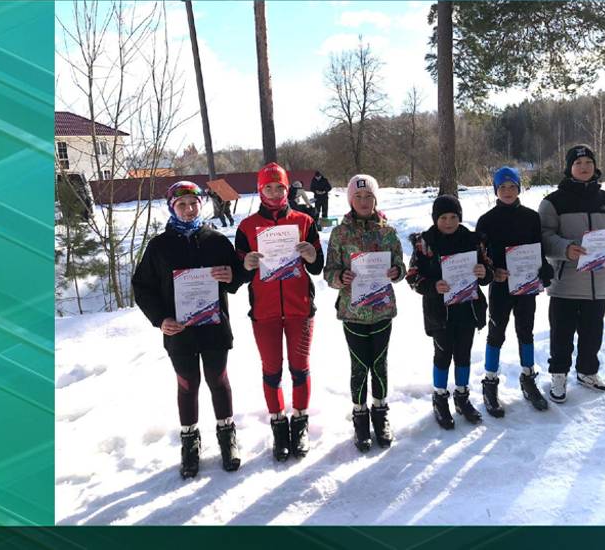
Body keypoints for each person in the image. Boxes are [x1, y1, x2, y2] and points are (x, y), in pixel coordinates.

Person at [131, 181, 243, 479]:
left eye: (194, 203)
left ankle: (226, 434)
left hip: (214, 328)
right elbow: (141, 287)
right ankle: (190, 441)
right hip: (179, 332)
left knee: (218, 380)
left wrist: (232, 274)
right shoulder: (159, 246)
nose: (189, 209)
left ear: (201, 205)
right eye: (182, 204)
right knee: (187, 384)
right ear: (172, 208)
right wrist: (160, 319)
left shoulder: (216, 240)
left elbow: (236, 279)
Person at [234, 163, 324, 461]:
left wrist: (312, 255)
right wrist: (246, 265)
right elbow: (239, 275)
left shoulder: (304, 220)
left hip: (299, 308)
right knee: (271, 371)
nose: (274, 193)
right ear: (260, 190)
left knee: (300, 368)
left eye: (280, 187)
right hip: (265, 311)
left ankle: (299, 421)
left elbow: (317, 266)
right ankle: (277, 425)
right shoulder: (246, 227)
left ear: (288, 189)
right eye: (268, 187)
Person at [539, 145, 605, 403]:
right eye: (578, 163)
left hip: (599, 280)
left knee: (593, 331)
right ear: (569, 168)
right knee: (562, 331)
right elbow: (544, 236)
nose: (584, 167)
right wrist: (566, 249)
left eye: (589, 162)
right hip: (566, 280)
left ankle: (588, 371)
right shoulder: (553, 201)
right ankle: (558, 373)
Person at [323, 174, 406, 452]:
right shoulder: (340, 233)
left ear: (375, 199)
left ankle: (380, 413)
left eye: (368, 196)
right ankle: (360, 417)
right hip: (353, 311)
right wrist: (340, 277)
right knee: (359, 366)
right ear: (350, 199)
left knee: (379, 364)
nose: (363, 201)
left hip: (382, 311)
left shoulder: (388, 231)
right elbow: (329, 271)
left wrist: (397, 272)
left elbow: (399, 265)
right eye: (357, 197)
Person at [407, 195, 494, 430]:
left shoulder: (472, 239)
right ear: (435, 219)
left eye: (454, 217)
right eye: (443, 217)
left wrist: (483, 272)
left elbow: (489, 271)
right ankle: (440, 396)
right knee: (443, 354)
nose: (448, 222)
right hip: (439, 312)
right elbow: (413, 277)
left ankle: (462, 396)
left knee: (464, 353)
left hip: (467, 308)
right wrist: (432, 286)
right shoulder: (425, 243)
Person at [475, 167, 554, 416]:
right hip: (501, 287)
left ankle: (528, 377)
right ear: (496, 190)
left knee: (526, 331)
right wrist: (492, 271)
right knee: (496, 332)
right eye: (502, 187)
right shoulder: (486, 220)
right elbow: (480, 257)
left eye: (512, 187)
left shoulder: (531, 217)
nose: (508, 191)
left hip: (526, 286)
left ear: (519, 188)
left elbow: (538, 249)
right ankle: (489, 382)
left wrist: (544, 270)